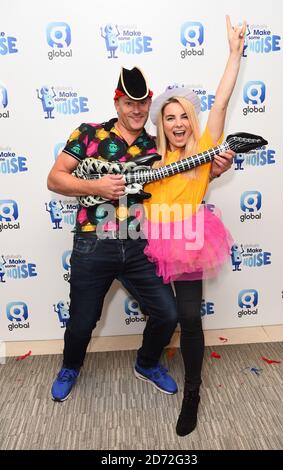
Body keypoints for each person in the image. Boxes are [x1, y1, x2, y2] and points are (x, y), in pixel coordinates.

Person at [47, 66, 180, 402]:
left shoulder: (158, 146)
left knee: (168, 313)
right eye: (128, 103)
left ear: (149, 104)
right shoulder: (89, 134)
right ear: (117, 103)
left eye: (143, 103)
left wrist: (216, 164)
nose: (136, 110)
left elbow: (186, 176)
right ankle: (71, 366)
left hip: (139, 244)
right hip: (94, 244)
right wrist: (96, 186)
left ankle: (147, 363)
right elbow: (55, 179)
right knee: (81, 322)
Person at [142, 16, 246, 436]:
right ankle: (146, 361)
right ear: (161, 125)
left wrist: (234, 54)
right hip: (145, 241)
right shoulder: (152, 158)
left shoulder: (203, 151)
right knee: (158, 313)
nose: (178, 123)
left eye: (183, 115)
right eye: (169, 117)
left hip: (186, 241)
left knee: (189, 318)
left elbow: (220, 103)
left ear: (192, 119)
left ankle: (192, 394)